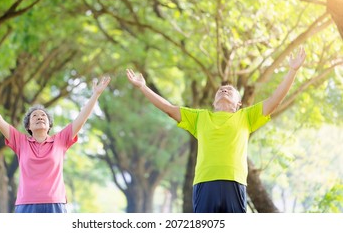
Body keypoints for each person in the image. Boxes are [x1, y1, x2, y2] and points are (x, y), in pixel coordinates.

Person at [126, 47, 306, 213]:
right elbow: (169, 108)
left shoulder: (245, 117)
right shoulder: (200, 118)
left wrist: (292, 71)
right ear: (213, 103)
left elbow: (274, 100)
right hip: (205, 184)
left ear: (239, 103)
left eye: (229, 90)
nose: (224, 91)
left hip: (234, 183)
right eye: (220, 90)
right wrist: (143, 87)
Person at [0, 76, 111, 213]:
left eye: (43, 116)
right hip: (26, 204)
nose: (39, 117)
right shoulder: (20, 142)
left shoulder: (60, 140)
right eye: (35, 116)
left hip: (55, 204)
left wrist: (95, 95)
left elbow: (81, 118)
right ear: (28, 126)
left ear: (49, 126)